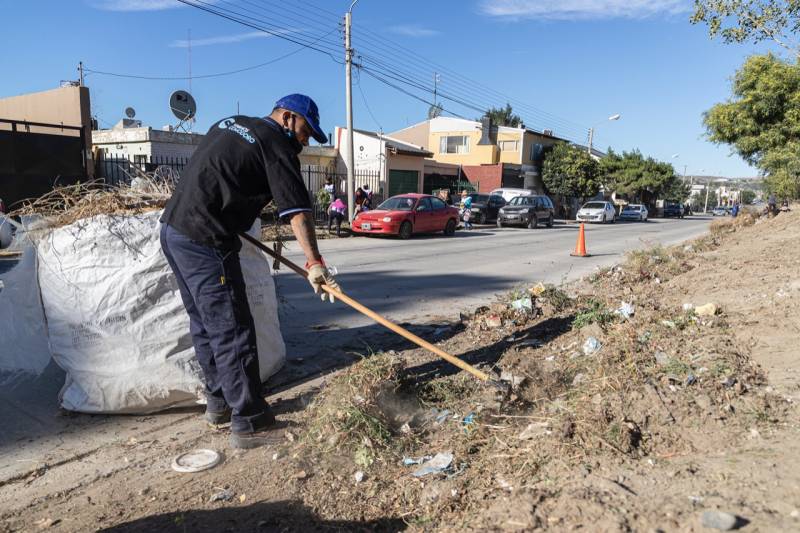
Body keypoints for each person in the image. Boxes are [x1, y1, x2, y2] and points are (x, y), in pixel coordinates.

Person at [159, 94, 340, 450]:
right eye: (305, 132)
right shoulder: (275, 144)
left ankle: (219, 402)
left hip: (173, 230)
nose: (305, 142)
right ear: (287, 118)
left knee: (205, 324)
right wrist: (314, 263)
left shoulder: (233, 122)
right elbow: (298, 211)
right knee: (232, 328)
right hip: (205, 238)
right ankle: (249, 419)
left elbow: (219, 176)